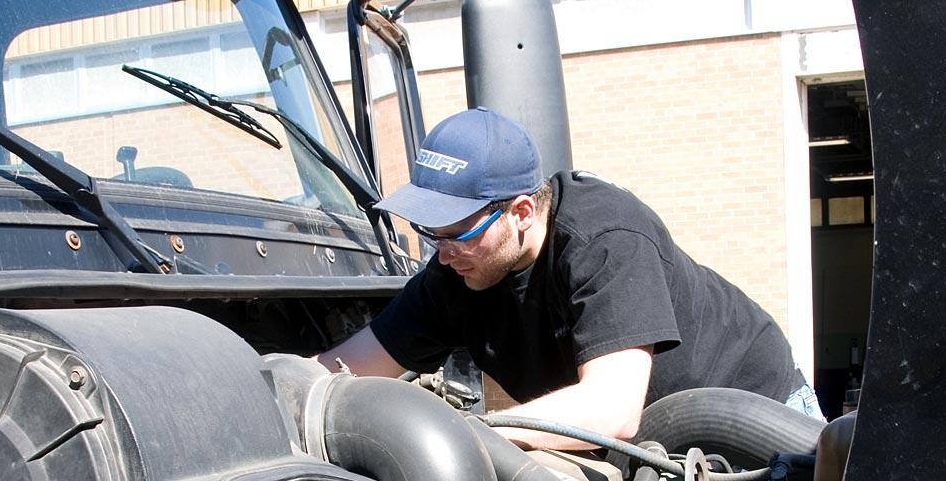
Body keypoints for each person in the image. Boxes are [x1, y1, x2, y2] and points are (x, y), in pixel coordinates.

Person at [319, 107, 821, 450]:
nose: (443, 252)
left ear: (519, 211)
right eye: (429, 232)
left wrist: (460, 438)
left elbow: (612, 409)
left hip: (755, 421)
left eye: (457, 233)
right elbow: (340, 368)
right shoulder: (457, 271)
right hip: (651, 451)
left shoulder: (604, 236)